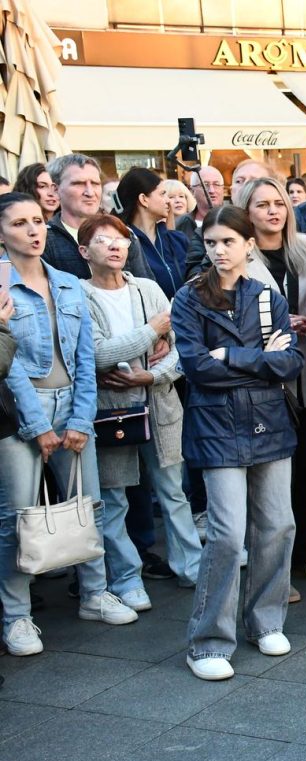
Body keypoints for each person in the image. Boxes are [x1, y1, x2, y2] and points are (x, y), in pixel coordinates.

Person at [0, 192, 139, 657]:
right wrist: (37, 424)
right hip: (22, 409)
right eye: (19, 223)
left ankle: (95, 593)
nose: (33, 230)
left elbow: (83, 357)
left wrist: (81, 417)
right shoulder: (1, 286)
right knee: (17, 517)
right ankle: (16, 618)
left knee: (90, 504)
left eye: (37, 221)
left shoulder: (66, 282)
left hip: (72, 404)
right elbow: (9, 364)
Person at [171, 204, 302, 681]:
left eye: (228, 241)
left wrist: (231, 355)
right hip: (216, 424)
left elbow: (290, 364)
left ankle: (265, 620)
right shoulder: (189, 298)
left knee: (277, 526)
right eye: (211, 242)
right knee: (226, 534)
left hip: (268, 421)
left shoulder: (267, 297)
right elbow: (196, 368)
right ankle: (207, 641)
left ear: (249, 244)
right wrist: (256, 360)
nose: (219, 250)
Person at [79, 214, 202, 601]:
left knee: (173, 491)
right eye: (103, 240)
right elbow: (99, 353)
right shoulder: (79, 295)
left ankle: (192, 567)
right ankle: (127, 579)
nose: (115, 246)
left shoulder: (148, 288)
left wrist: (149, 376)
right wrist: (151, 332)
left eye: (121, 239)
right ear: (84, 251)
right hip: (110, 410)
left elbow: (182, 349)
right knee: (114, 498)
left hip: (159, 404)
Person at [233, 177, 306, 589]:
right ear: (247, 212)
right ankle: (273, 567)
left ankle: (305, 553)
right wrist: (278, 327)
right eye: (262, 205)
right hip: (265, 381)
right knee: (271, 477)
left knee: (305, 472)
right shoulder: (239, 254)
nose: (273, 211)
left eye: (279, 203)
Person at [43, 154, 149, 280]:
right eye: (79, 184)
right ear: (55, 190)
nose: (90, 192)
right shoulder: (44, 239)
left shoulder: (124, 233)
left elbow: (145, 288)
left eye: (95, 184)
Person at [115, 168, 189, 300]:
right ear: (144, 199)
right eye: (162, 194)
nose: (169, 201)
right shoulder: (124, 245)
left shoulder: (177, 240)